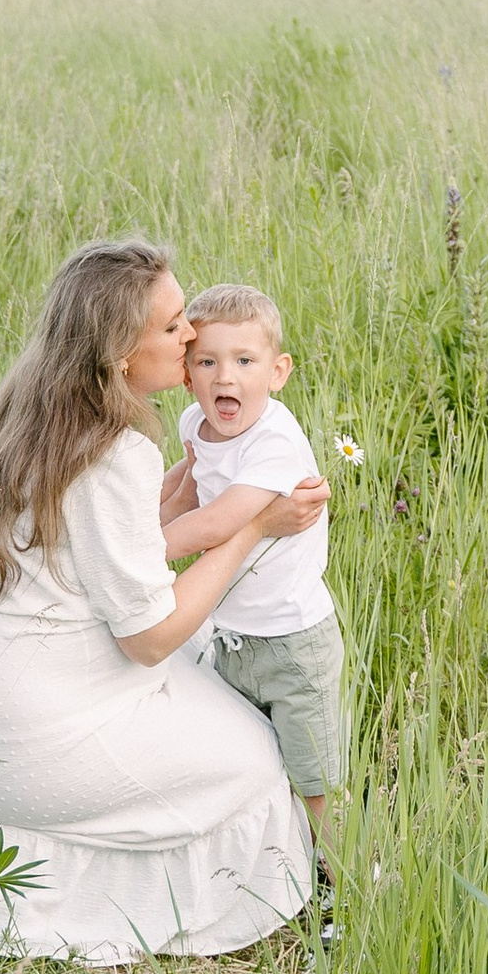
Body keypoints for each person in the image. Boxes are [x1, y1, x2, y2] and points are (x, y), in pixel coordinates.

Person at [0, 238, 323, 966]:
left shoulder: (32, 416)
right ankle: (128, 897)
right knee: (260, 763)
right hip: (30, 745)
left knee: (209, 665)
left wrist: (189, 484)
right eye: (171, 328)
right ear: (119, 356)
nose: (192, 335)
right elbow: (150, 638)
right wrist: (254, 528)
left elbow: (110, 542)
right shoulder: (112, 450)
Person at [157, 286, 346, 854]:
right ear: (187, 373)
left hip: (293, 642)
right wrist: (135, 528)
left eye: (245, 361)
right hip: (233, 637)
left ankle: (350, 885)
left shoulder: (276, 444)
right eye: (208, 361)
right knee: (253, 764)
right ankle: (269, 867)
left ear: (278, 371)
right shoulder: (196, 422)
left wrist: (141, 552)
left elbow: (217, 525)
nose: (225, 378)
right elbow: (189, 493)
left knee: (316, 783)